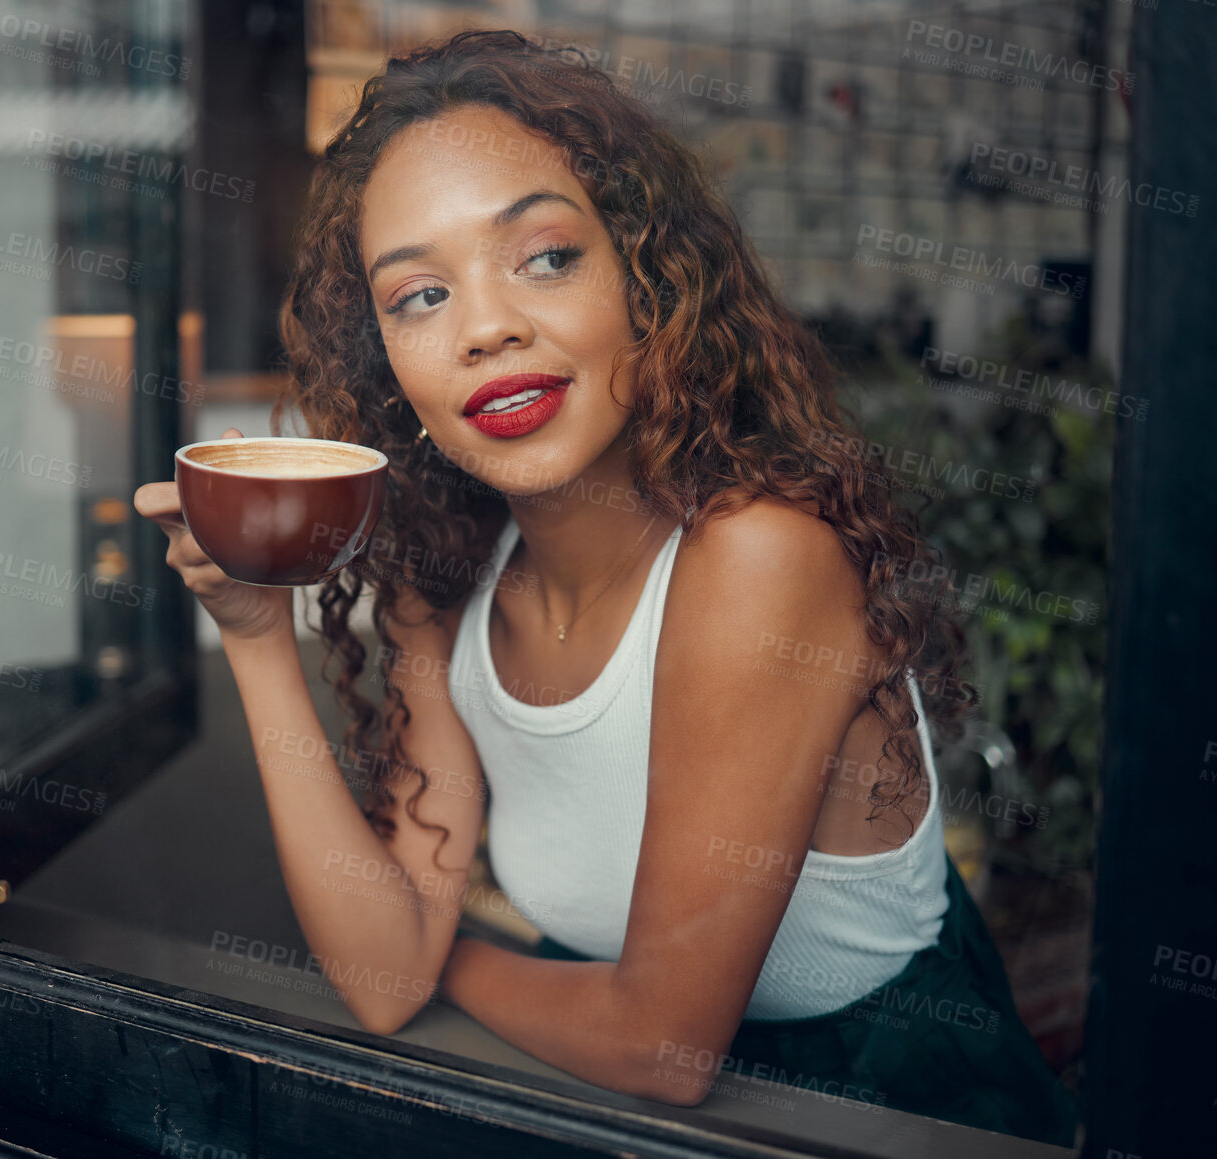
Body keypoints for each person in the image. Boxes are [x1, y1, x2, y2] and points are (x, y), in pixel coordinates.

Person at [135, 28, 1077, 1146]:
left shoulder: (757, 558)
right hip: (594, 1089)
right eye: (419, 296)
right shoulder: (444, 584)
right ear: (386, 361)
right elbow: (384, 979)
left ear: (647, 276)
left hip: (873, 1103)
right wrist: (250, 631)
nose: (486, 327)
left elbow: (658, 1044)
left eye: (543, 257)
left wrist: (464, 961)